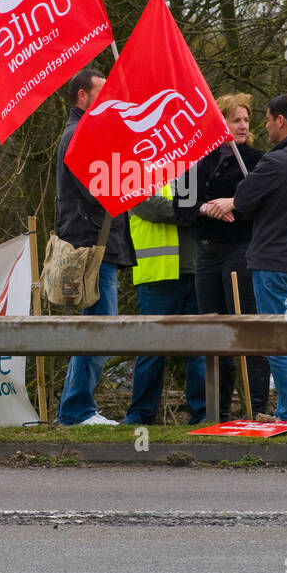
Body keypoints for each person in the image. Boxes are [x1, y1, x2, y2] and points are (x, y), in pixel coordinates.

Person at [206, 92, 287, 424]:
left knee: (278, 340)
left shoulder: (275, 162)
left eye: (266, 118)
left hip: (272, 265)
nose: (263, 125)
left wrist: (227, 202)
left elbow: (245, 199)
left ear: (281, 120)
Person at [175, 92, 269, 421]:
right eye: (236, 120)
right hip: (206, 254)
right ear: (220, 123)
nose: (243, 125)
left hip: (241, 250)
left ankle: (257, 408)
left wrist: (234, 203)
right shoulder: (197, 159)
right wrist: (207, 208)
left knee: (246, 329)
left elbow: (264, 205)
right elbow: (180, 205)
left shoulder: (257, 161)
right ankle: (217, 411)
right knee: (212, 331)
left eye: (246, 120)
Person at [55, 67, 135, 425]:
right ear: (82, 97)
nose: (110, 99)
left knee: (96, 326)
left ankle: (74, 410)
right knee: (99, 329)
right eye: (102, 92)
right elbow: (99, 189)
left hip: (99, 244)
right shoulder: (80, 134)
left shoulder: (86, 132)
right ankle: (77, 410)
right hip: (93, 246)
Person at [122, 184, 205, 427]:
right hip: (157, 275)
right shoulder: (136, 173)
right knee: (152, 349)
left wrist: (200, 208)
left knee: (199, 349)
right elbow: (155, 209)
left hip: (196, 270)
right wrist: (200, 209)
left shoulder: (192, 171)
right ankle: (141, 415)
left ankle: (203, 414)